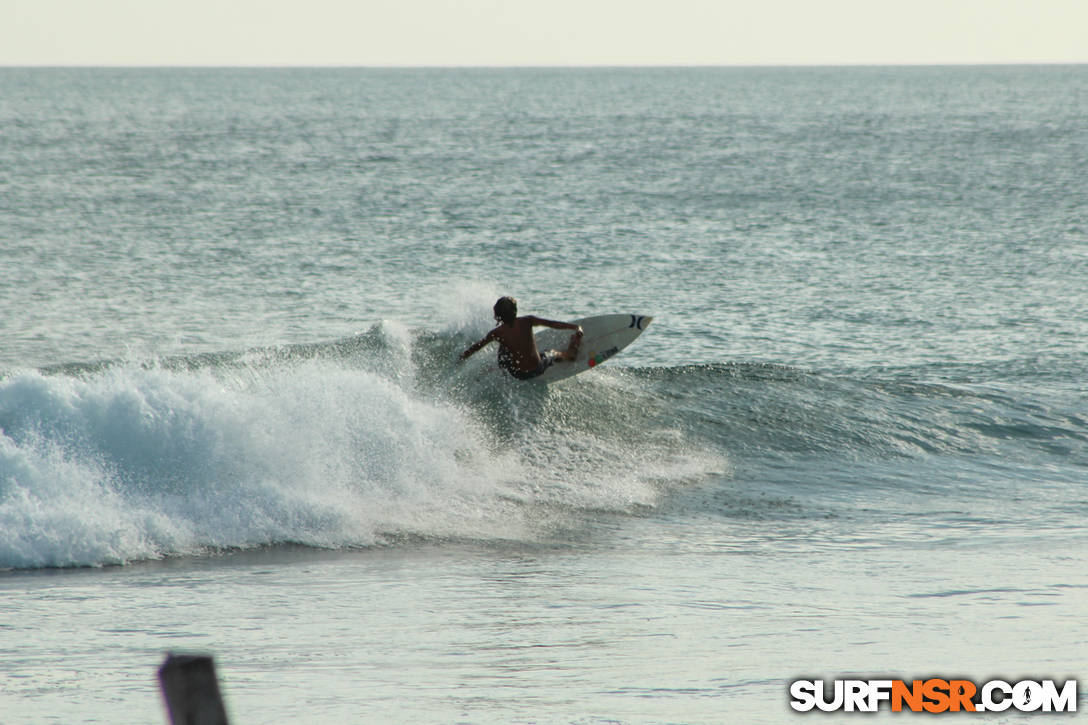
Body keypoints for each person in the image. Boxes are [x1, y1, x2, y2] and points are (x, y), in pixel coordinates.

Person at [459, 296, 583, 380]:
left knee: (503, 346)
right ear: (515, 310)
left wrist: (463, 357)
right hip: (535, 369)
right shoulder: (527, 321)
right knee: (551, 352)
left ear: (497, 315)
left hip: (517, 375)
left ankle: (502, 370)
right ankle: (569, 355)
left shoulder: (496, 333)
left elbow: (477, 346)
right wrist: (575, 327)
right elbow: (552, 324)